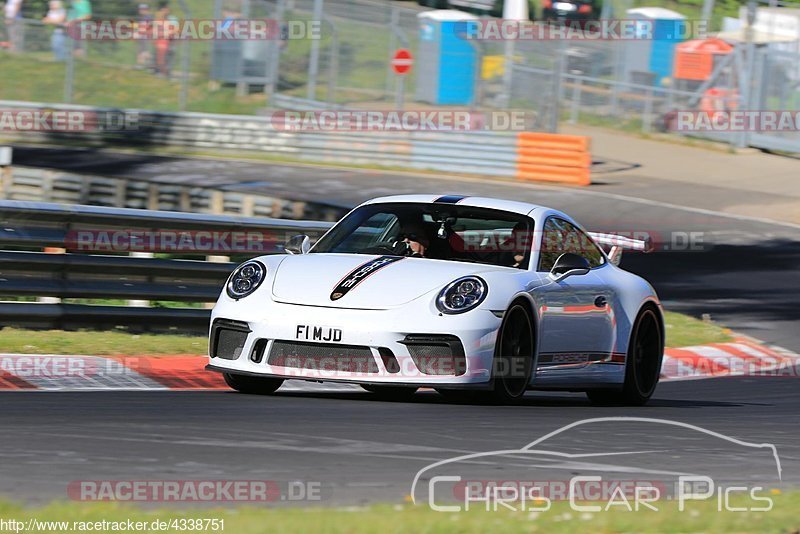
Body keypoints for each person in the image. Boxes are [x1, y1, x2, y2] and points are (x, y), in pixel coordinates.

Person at [134, 3, 152, 68]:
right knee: (141, 51)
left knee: (144, 52)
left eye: (142, 9)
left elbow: (148, 27)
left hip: (145, 37)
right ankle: (142, 64)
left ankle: (146, 65)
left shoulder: (148, 17)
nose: (140, 11)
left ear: (146, 10)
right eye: (140, 9)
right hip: (141, 37)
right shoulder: (141, 17)